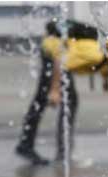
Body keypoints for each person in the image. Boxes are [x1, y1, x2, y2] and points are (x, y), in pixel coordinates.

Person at [16, 19, 108, 165]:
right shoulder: (95, 54)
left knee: (68, 101)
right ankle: (32, 146)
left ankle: (59, 151)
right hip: (53, 51)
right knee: (48, 98)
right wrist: (54, 90)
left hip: (60, 52)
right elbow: (62, 61)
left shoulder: (105, 58)